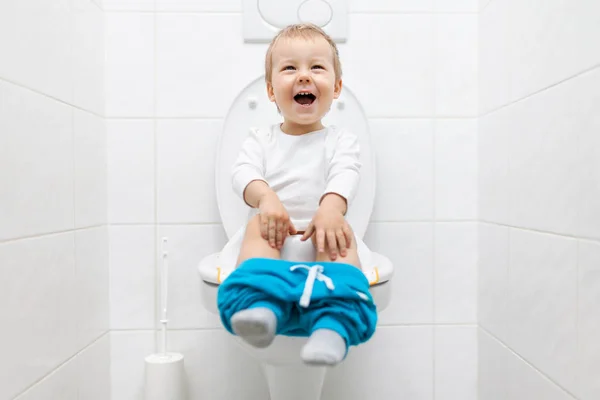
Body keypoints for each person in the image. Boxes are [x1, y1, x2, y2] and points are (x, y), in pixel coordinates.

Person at [216, 23, 376, 367]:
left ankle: (332, 327)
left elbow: (346, 172)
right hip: (272, 239)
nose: (304, 76)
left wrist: (331, 208)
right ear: (272, 91)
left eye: (316, 67)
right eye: (290, 67)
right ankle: (262, 308)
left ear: (335, 89)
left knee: (339, 236)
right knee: (259, 226)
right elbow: (242, 172)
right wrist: (265, 198)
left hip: (324, 234)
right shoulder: (261, 138)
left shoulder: (341, 140)